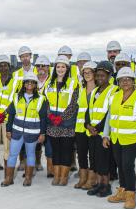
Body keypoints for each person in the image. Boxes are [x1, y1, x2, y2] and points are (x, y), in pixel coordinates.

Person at [102, 67, 136, 209]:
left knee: (127, 164)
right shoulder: (114, 97)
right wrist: (106, 134)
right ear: (118, 82)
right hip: (117, 137)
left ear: (133, 81)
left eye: (128, 79)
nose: (125, 82)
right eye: (122, 80)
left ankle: (130, 195)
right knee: (120, 164)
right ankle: (122, 191)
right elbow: (109, 117)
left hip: (134, 136)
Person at [2, 72, 48, 187]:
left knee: (30, 154)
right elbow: (11, 114)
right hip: (17, 132)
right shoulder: (16, 97)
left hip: (32, 133)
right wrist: (8, 130)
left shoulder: (41, 99)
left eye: (32, 82)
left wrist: (42, 133)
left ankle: (28, 178)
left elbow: (43, 118)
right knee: (13, 154)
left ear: (35, 85)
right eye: (27, 82)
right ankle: (9, 178)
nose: (29, 84)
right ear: (23, 84)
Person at [85, 61, 118, 198]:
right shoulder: (94, 92)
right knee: (95, 159)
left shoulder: (114, 91)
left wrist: (98, 128)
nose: (99, 78)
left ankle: (106, 185)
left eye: (103, 76)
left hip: (104, 133)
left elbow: (110, 112)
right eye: (97, 75)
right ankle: (98, 184)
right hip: (92, 132)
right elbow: (89, 111)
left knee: (104, 160)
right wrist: (87, 125)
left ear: (110, 76)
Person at [45, 56, 78, 185]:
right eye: (58, 66)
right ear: (55, 68)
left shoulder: (73, 83)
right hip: (52, 124)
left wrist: (62, 117)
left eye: (63, 67)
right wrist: (51, 116)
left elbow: (74, 104)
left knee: (66, 150)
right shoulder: (49, 83)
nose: (60, 69)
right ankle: (56, 175)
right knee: (55, 150)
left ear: (67, 68)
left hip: (67, 124)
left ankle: (64, 177)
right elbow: (46, 102)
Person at [75, 61, 98, 189]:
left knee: (93, 155)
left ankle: (92, 179)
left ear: (94, 73)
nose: (87, 74)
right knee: (82, 153)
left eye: (90, 72)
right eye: (85, 72)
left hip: (93, 128)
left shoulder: (100, 90)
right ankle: (82, 178)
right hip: (80, 127)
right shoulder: (81, 89)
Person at [34, 55, 52, 174]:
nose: (41, 68)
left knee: (49, 143)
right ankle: (37, 163)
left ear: (48, 67)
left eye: (44, 66)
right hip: (34, 117)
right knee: (34, 143)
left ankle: (50, 169)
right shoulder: (31, 80)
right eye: (38, 66)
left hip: (49, 117)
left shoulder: (53, 81)